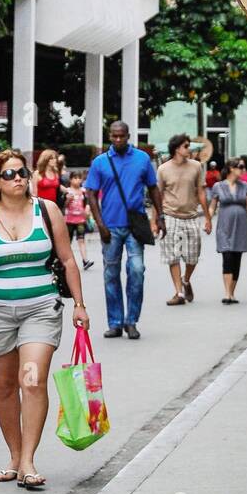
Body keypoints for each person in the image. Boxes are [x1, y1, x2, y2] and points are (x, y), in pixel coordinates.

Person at [0, 149, 90, 489]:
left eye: (22, 172)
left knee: (32, 381)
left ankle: (28, 459)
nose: (18, 179)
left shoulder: (47, 210)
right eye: (10, 174)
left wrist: (79, 305)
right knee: (5, 386)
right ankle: (14, 455)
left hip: (41, 308)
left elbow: (68, 260)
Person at [84, 121, 164, 339]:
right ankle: (116, 321)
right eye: (114, 136)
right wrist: (100, 225)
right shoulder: (100, 162)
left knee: (137, 270)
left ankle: (132, 320)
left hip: (134, 226)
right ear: (110, 136)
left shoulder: (141, 159)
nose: (118, 140)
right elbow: (90, 193)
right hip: (110, 226)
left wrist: (161, 216)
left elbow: (153, 188)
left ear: (128, 136)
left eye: (122, 136)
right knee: (111, 274)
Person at [157, 133, 212, 306]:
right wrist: (155, 220)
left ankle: (186, 280)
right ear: (176, 149)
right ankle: (179, 292)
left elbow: (201, 192)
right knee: (173, 256)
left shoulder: (196, 166)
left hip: (191, 216)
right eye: (186, 146)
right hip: (170, 215)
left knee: (192, 256)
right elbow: (157, 196)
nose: (190, 149)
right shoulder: (163, 169)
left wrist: (208, 218)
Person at [208, 159, 247, 304]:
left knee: (236, 258)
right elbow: (212, 206)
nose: (243, 169)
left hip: (241, 227)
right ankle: (227, 293)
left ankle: (232, 293)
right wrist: (207, 220)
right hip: (224, 227)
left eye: (243, 167)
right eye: (240, 167)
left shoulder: (244, 186)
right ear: (231, 168)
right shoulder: (218, 186)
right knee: (227, 257)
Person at [63, 170, 94, 270]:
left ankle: (85, 260)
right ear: (70, 180)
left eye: (79, 178)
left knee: (81, 240)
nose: (78, 180)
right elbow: (64, 205)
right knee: (68, 241)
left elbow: (87, 202)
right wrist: (68, 199)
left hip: (80, 220)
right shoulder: (67, 191)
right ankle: (65, 260)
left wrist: (87, 209)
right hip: (69, 220)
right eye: (75, 178)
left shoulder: (83, 191)